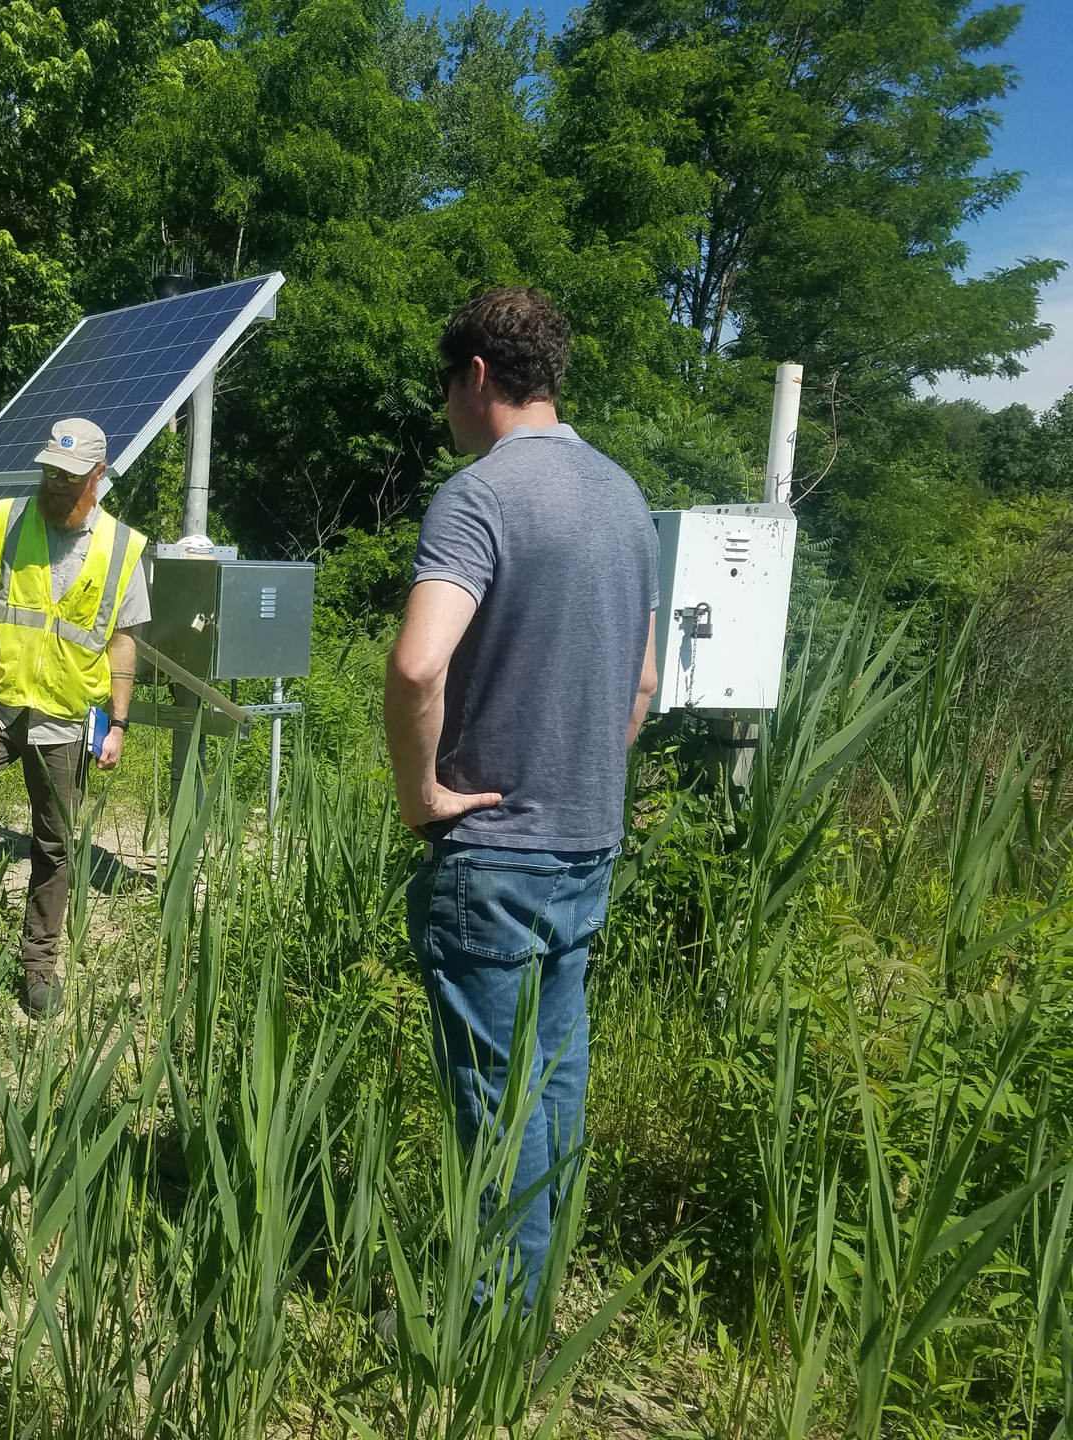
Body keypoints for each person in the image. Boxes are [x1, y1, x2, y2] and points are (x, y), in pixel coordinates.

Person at [384, 287, 659, 1305]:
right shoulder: (624, 497)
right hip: (588, 840)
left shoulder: (481, 496)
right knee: (552, 1086)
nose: (447, 413)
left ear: (479, 378)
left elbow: (418, 667)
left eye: (446, 390)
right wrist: (583, 772)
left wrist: (424, 795)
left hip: (495, 849)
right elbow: (640, 684)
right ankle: (534, 1302)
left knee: (494, 1106)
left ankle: (492, 1336)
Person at [0, 418, 148, 1016]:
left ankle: (38, 966)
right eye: (48, 471)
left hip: (65, 719)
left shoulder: (123, 548)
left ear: (97, 475)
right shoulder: (7, 518)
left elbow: (123, 641)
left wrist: (116, 724)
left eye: (68, 476)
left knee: (55, 844)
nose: (55, 484)